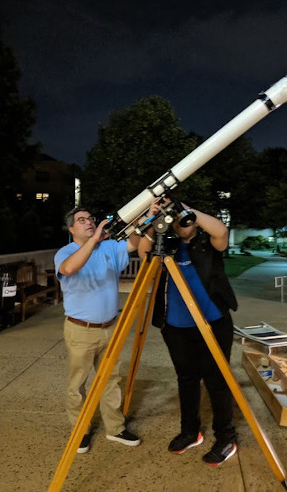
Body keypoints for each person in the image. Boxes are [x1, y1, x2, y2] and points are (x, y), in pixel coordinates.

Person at [138, 199, 238, 466]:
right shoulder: (165, 246)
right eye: (177, 219)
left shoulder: (207, 244)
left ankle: (226, 437)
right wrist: (152, 218)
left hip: (212, 324)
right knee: (187, 379)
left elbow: (221, 232)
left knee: (217, 381)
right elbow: (142, 251)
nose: (182, 224)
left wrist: (186, 208)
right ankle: (190, 431)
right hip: (176, 327)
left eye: (185, 219)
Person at [54, 207, 141, 454]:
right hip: (81, 330)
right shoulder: (66, 252)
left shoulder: (109, 247)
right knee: (78, 384)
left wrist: (139, 223)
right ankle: (80, 430)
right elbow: (69, 269)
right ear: (72, 229)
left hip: (110, 327)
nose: (89, 222)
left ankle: (115, 428)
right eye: (82, 220)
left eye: (90, 218)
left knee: (111, 380)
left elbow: (133, 244)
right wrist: (93, 241)